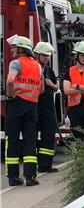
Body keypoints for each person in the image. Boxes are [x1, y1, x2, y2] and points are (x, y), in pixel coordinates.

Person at [4, 36, 43, 186]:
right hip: (32, 106)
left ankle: (13, 177)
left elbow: (10, 81)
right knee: (30, 140)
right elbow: (40, 88)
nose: (12, 49)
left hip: (16, 103)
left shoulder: (16, 63)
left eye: (14, 47)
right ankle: (30, 176)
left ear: (21, 49)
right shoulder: (37, 66)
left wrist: (10, 95)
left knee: (12, 140)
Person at [33, 42, 59, 173]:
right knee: (31, 136)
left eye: (47, 56)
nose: (46, 58)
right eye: (44, 55)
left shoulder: (49, 71)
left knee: (48, 135)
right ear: (37, 55)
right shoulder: (32, 68)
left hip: (48, 107)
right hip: (34, 106)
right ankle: (32, 166)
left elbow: (56, 87)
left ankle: (45, 165)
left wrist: (50, 84)